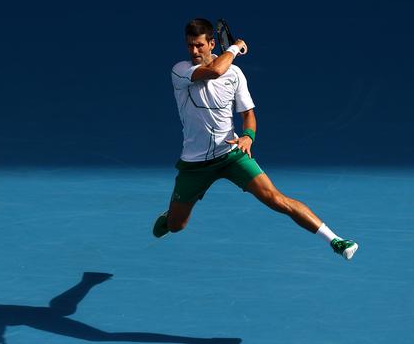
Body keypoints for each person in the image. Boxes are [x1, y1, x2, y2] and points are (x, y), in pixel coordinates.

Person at [153, 18, 358, 260]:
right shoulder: (180, 70)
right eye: (190, 46)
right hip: (194, 165)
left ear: (211, 44)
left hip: (230, 154)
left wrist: (248, 137)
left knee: (276, 198)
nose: (194, 51)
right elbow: (216, 70)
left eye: (199, 45)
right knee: (177, 226)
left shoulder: (236, 74)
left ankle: (335, 240)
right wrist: (236, 46)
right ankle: (170, 216)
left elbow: (248, 115)